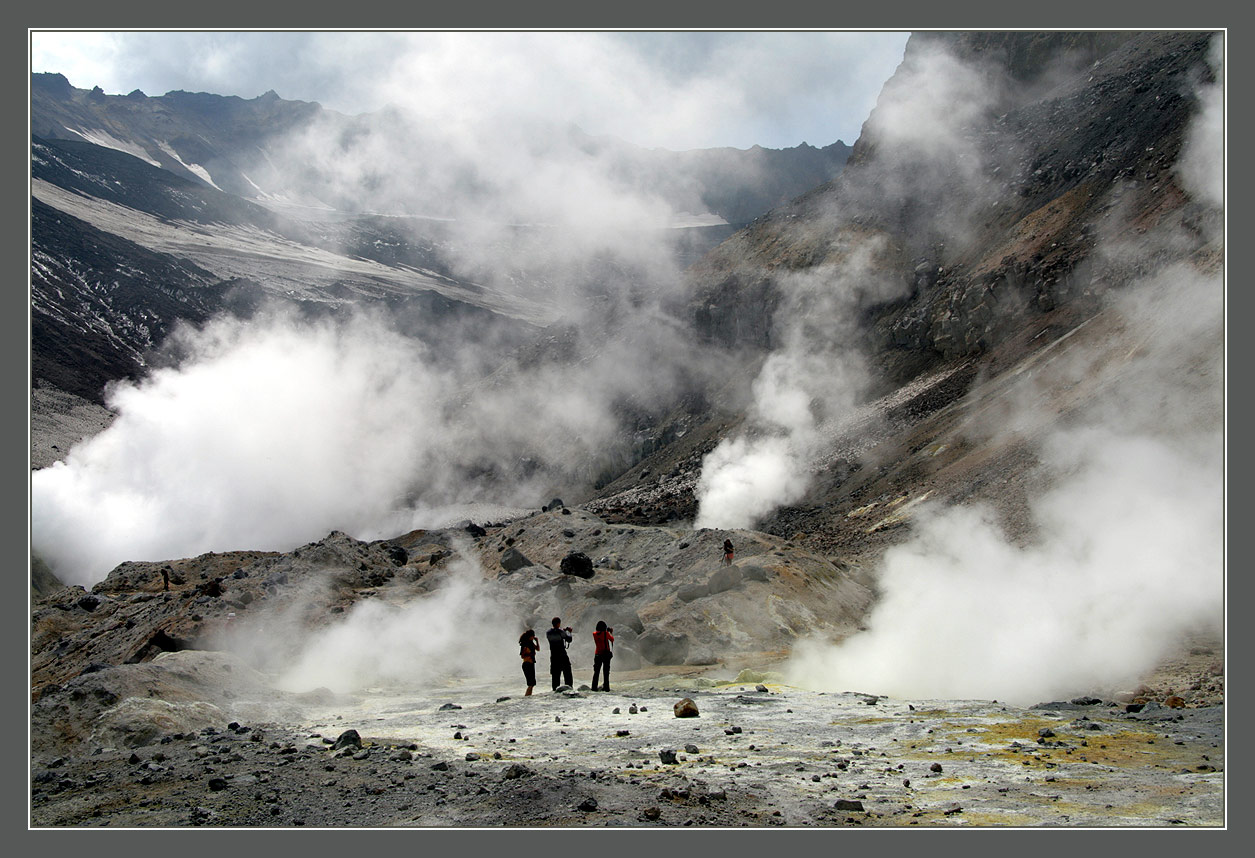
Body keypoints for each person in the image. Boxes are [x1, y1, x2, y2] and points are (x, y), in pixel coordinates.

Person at [546, 617, 573, 690]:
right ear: (558, 623)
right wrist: (569, 632)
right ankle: (569, 688)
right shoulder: (561, 632)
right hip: (562, 656)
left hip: (554, 656)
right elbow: (569, 639)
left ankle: (555, 689)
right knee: (567, 673)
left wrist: (562, 630)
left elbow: (556, 634)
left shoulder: (548, 633)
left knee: (555, 675)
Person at [591, 620, 614, 692]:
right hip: (605, 654)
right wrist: (610, 633)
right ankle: (606, 688)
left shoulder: (594, 634)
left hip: (597, 654)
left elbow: (600, 634)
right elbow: (612, 639)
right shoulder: (606, 633)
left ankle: (594, 687)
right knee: (606, 672)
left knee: (596, 672)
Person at [518, 629, 540, 696]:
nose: (533, 637)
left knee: (532, 683)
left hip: (531, 663)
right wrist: (530, 654)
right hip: (527, 664)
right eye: (533, 636)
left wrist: (537, 641)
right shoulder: (525, 645)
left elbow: (538, 649)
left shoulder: (531, 643)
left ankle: (528, 695)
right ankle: (527, 696)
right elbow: (522, 655)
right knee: (531, 683)